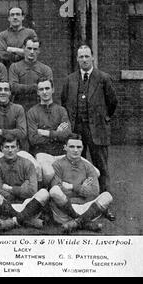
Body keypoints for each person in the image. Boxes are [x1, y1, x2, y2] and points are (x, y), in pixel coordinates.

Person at [0, 81, 40, 221]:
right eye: (0, 89)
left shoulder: (18, 109)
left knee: (35, 165)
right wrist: (11, 133)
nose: (3, 92)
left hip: (16, 148)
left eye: (6, 89)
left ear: (10, 92)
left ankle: (38, 206)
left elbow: (22, 133)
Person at [61, 45, 117, 193]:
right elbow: (64, 102)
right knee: (77, 164)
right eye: (81, 57)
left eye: (87, 56)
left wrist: (103, 118)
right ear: (77, 59)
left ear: (93, 57)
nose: (84, 60)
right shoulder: (70, 80)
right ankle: (80, 196)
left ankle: (104, 200)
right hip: (76, 130)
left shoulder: (103, 78)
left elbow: (112, 103)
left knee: (101, 166)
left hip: (97, 129)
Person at [49, 134, 114, 233]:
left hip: (85, 207)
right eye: (71, 147)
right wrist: (83, 189)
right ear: (65, 148)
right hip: (65, 209)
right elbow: (56, 188)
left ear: (82, 148)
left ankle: (76, 222)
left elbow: (95, 191)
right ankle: (84, 222)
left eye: (79, 147)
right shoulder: (57, 165)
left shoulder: (88, 167)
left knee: (107, 196)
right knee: (54, 191)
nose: (75, 150)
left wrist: (72, 187)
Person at [0, 135, 49, 231]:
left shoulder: (27, 163)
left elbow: (32, 190)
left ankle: (13, 221)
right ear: (2, 149)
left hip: (27, 205)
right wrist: (21, 190)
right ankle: (25, 220)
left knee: (44, 192)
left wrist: (10, 189)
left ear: (18, 148)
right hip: (6, 206)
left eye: (13, 147)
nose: (10, 150)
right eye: (7, 147)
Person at [9, 37, 53, 112]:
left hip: (39, 109)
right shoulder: (15, 67)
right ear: (24, 48)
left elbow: (48, 90)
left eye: (35, 49)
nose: (32, 52)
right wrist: (35, 87)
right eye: (29, 48)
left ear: (39, 51)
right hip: (19, 109)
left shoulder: (45, 69)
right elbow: (13, 87)